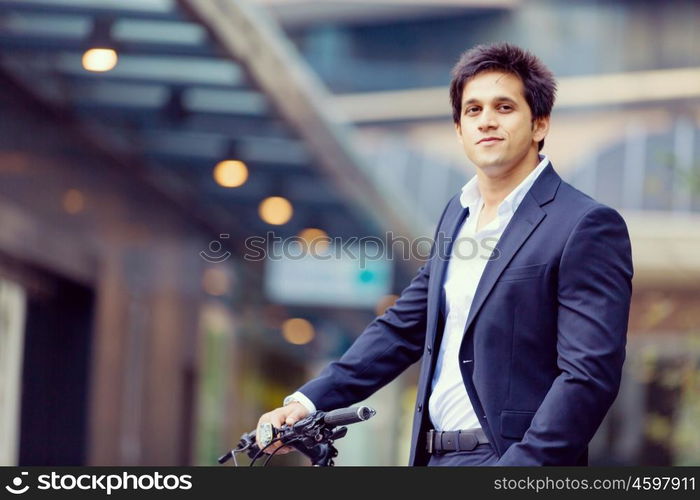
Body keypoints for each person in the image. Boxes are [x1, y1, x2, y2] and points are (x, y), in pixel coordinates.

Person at [256, 42, 633, 466]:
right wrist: (307, 403)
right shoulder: (458, 215)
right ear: (459, 129)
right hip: (433, 457)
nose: (486, 121)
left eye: (504, 107)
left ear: (539, 124)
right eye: (473, 110)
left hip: (510, 460)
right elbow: (402, 328)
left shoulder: (585, 224)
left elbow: (588, 377)